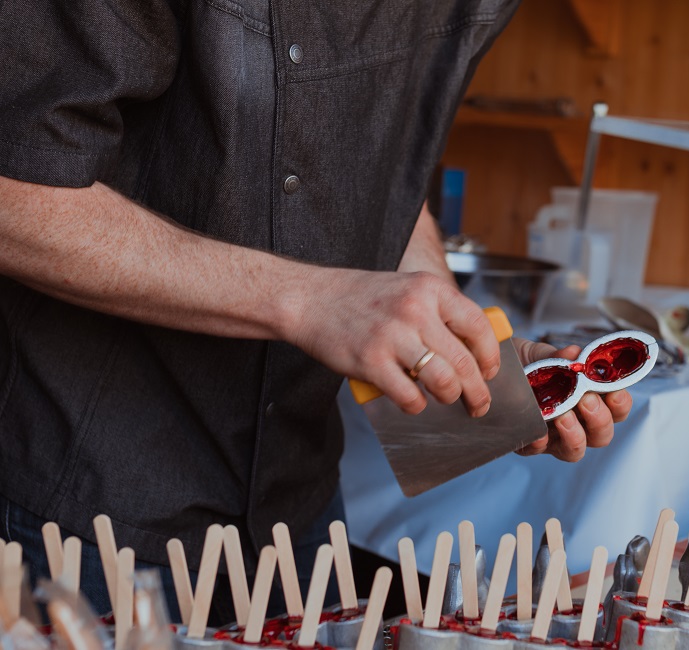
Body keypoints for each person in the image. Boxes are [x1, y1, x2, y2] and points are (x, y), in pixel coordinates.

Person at [0, 0, 632, 622]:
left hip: (297, 507)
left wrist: (464, 362)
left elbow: (381, 171)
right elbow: (14, 194)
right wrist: (309, 300)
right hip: (84, 502)